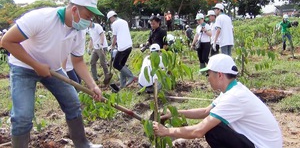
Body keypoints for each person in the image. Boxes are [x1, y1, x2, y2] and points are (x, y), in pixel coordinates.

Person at [1, 0, 103, 148]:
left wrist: (93, 85)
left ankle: (82, 144)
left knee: (73, 103)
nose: (89, 22)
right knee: (22, 116)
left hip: (53, 69)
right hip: (23, 67)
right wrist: (36, 65)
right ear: (75, 9)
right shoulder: (42, 18)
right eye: (88, 17)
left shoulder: (79, 31)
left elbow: (78, 61)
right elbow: (7, 41)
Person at [153, 54, 282, 148]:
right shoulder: (232, 90)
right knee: (214, 124)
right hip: (261, 143)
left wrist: (166, 131)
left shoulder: (234, 97)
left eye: (208, 74)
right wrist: (172, 113)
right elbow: (204, 111)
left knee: (212, 130)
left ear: (219, 75)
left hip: (262, 145)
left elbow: (198, 131)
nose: (207, 78)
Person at [107, 10, 137, 88]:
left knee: (116, 64)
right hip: (129, 46)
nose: (110, 21)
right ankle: (122, 84)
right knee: (122, 65)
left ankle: (131, 76)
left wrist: (112, 47)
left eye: (110, 19)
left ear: (111, 17)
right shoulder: (124, 21)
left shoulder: (114, 24)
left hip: (122, 47)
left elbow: (114, 37)